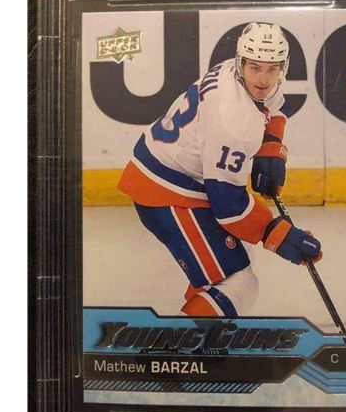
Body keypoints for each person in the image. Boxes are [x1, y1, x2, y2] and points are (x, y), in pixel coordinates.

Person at [118, 22, 322, 317]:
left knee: (236, 257)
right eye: (255, 68)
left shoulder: (233, 71)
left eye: (272, 69)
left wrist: (270, 144)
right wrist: (279, 235)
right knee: (238, 282)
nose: (263, 79)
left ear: (283, 68)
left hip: (174, 175)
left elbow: (274, 105)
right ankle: (187, 341)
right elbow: (229, 208)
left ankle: (200, 321)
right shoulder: (233, 119)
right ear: (242, 63)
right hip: (167, 192)